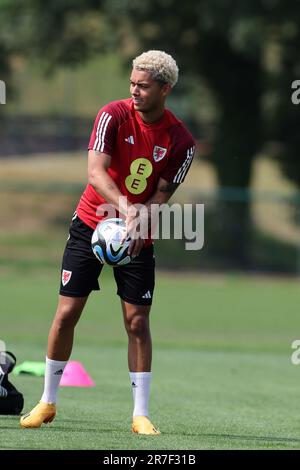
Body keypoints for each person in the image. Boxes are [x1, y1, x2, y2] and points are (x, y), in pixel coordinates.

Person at [20, 50, 195, 434]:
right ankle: (47, 402)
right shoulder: (112, 115)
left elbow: (163, 194)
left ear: (165, 90)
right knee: (66, 314)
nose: (134, 90)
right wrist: (124, 206)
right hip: (89, 224)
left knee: (137, 322)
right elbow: (95, 172)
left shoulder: (181, 139)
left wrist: (139, 219)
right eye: (132, 82)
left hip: (137, 235)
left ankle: (140, 414)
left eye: (143, 86)